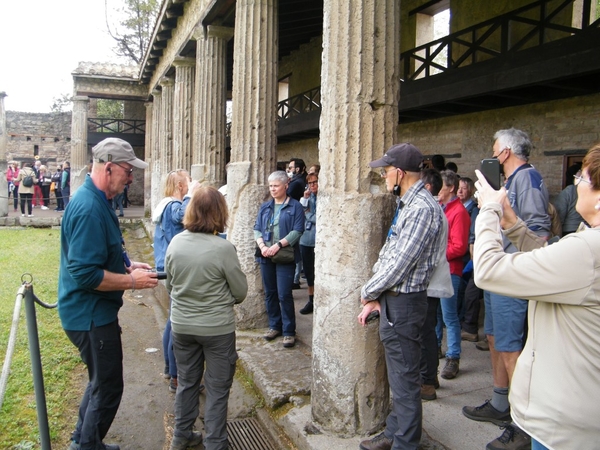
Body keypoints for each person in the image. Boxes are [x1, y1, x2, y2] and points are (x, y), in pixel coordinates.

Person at [471, 143, 600, 450]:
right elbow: (553, 261)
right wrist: (513, 225)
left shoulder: (587, 249)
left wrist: (489, 208)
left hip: (563, 424)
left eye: (581, 179)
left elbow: (488, 270)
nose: (574, 185)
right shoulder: (587, 244)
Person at [58, 137, 159, 450]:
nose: (130, 178)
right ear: (109, 166)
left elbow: (100, 252)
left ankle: (83, 439)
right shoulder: (89, 208)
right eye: (128, 171)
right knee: (109, 386)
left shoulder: (97, 199)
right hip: (89, 316)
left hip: (91, 312)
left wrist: (126, 265)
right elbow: (86, 273)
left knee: (100, 381)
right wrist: (132, 283)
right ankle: (86, 446)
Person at [463, 128, 551, 450]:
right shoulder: (511, 182)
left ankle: (523, 425)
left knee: (512, 348)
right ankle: (501, 402)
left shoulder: (527, 179)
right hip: (499, 274)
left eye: (495, 149)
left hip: (511, 275)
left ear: (506, 153)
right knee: (495, 339)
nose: (492, 154)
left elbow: (538, 232)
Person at [357, 143, 445, 450]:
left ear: (398, 172)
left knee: (406, 381)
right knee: (400, 377)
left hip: (404, 303)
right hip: (396, 300)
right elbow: (391, 252)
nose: (383, 176)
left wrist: (368, 292)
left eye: (384, 171)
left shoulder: (421, 208)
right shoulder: (409, 203)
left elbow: (400, 262)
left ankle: (405, 443)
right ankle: (394, 433)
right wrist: (376, 295)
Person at [166, 186, 247, 450]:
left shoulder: (176, 242)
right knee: (217, 387)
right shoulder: (223, 248)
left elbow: (170, 286)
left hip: (182, 325)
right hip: (216, 329)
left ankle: (181, 434)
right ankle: (215, 443)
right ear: (220, 213)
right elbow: (240, 291)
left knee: (187, 382)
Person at [152, 169, 195, 393]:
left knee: (171, 319)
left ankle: (171, 369)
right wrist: (191, 195)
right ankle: (176, 376)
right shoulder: (173, 206)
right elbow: (183, 216)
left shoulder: (164, 204)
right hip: (173, 268)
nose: (190, 185)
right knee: (175, 322)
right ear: (180, 186)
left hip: (167, 266)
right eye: (187, 182)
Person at [254, 171, 304, 348]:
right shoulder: (265, 207)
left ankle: (289, 331)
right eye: (270, 186)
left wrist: (278, 245)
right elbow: (257, 229)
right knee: (270, 293)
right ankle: (274, 326)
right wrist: (263, 247)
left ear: (286, 185)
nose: (272, 189)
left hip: (284, 255)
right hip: (266, 254)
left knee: (284, 294)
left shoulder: (295, 206)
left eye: (276, 186)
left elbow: (297, 231)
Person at [419, 168, 453, 401]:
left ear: (428, 187)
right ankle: (430, 376)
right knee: (428, 331)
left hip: (427, 281)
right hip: (430, 280)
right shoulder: (436, 209)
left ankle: (427, 381)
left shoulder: (429, 210)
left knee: (425, 333)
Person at [436, 170, 470, 380]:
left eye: (440, 186)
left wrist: (435, 253)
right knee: (437, 315)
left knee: (449, 316)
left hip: (450, 270)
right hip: (440, 269)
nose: (436, 190)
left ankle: (453, 355)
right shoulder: (443, 208)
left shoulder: (459, 212)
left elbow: (459, 247)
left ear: (450, 188)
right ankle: (436, 346)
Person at [456, 177, 482, 341]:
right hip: (460, 253)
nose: (460, 191)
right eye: (458, 188)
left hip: (468, 255)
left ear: (471, 191)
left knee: (468, 291)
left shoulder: (474, 210)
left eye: (464, 188)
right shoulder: (456, 207)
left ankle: (467, 323)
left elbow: (471, 235)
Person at [298, 173, 318, 314]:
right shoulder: (307, 197)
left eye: (315, 182)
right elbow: (300, 212)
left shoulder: (323, 197)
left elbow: (320, 217)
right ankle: (311, 300)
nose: (312, 185)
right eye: (310, 183)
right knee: (309, 273)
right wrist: (304, 200)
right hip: (306, 239)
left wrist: (308, 214)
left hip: (318, 240)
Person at [287, 158, 308, 289]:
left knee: (295, 250)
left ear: (298, 169)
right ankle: (295, 278)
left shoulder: (296, 183)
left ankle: (294, 279)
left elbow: (286, 196)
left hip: (294, 219)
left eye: (290, 167)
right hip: (295, 218)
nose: (289, 170)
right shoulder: (298, 181)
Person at [554, 163, 584, 235]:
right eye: (580, 171)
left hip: (569, 230)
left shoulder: (568, 191)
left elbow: (559, 215)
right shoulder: (570, 191)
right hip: (581, 229)